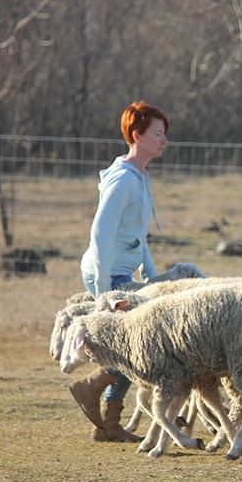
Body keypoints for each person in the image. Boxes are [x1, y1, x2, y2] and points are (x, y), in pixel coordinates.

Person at [68, 100, 168, 442]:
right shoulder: (123, 179)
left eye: (164, 134)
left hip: (123, 271)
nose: (163, 140)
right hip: (109, 274)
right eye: (157, 134)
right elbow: (102, 230)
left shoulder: (140, 176)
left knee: (138, 342)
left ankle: (110, 422)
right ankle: (94, 387)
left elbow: (136, 235)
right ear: (137, 136)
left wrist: (152, 275)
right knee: (137, 343)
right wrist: (102, 285)